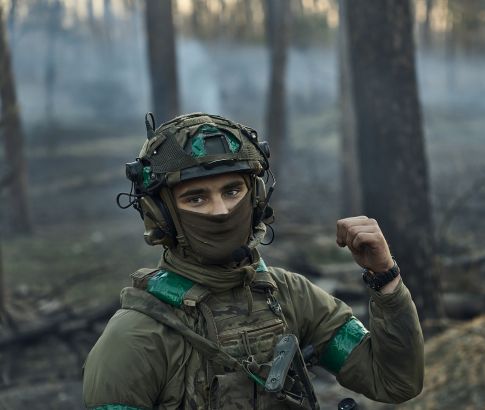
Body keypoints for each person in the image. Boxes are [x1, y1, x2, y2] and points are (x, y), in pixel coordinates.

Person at [82, 113, 424, 409]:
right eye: (196, 197)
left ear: (257, 198)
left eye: (232, 191)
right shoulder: (134, 337)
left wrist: (385, 276)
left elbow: (394, 382)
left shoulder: (291, 297)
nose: (221, 211)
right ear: (161, 214)